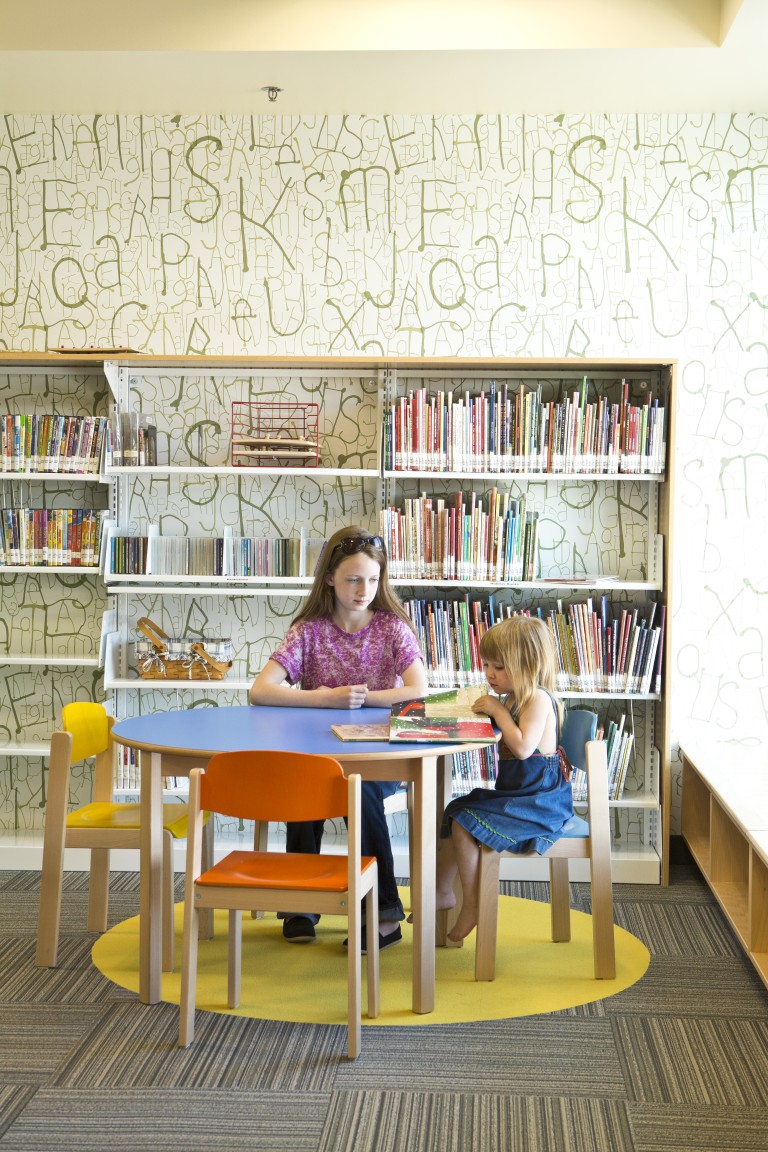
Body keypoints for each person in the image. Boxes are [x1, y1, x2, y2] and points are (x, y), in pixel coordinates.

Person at [249, 524, 428, 949]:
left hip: (377, 756)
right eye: (352, 579)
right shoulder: (308, 630)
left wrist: (362, 700)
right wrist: (327, 698)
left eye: (372, 579)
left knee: (358, 787)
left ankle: (383, 915)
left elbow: (419, 689)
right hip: (318, 755)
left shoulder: (391, 629)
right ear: (330, 577)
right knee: (304, 781)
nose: (363, 589)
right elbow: (260, 690)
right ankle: (301, 904)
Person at [435, 614, 573, 942]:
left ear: (528, 665)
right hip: (518, 797)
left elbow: (524, 747)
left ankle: (472, 903)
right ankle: (442, 890)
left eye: (499, 667)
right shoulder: (513, 698)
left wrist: (497, 712)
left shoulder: (537, 699)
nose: (490, 674)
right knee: (457, 809)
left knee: (465, 819)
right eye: (486, 665)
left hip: (539, 804)